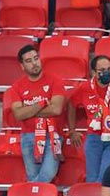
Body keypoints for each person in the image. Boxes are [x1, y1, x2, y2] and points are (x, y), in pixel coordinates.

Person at [6, 45, 66, 183]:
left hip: (52, 135)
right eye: (29, 61)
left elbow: (56, 109)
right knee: (33, 176)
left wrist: (29, 110)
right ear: (22, 66)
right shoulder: (17, 86)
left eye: (36, 58)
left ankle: (26, 195)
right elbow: (18, 115)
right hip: (28, 136)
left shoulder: (55, 80)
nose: (34, 63)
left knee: (47, 175)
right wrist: (42, 104)